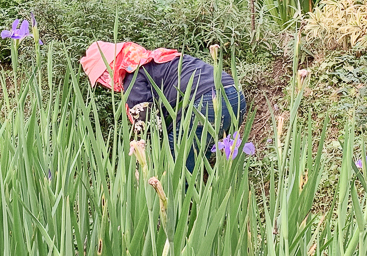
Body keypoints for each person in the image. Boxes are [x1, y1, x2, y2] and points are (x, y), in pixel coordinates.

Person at [81, 41, 246, 172]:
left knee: (173, 168)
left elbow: (147, 126)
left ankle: (185, 211)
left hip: (205, 105)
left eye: (103, 79)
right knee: (195, 162)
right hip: (235, 98)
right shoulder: (157, 60)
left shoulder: (133, 75)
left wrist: (143, 159)